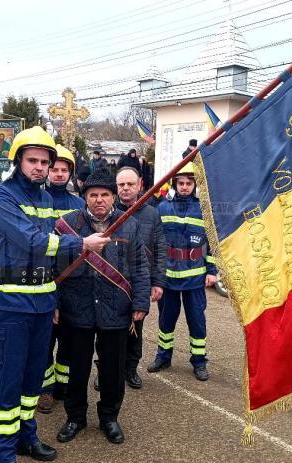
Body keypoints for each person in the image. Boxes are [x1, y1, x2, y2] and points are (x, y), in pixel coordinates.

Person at [0, 126, 110, 463]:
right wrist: (82, 244)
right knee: (9, 381)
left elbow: (49, 246)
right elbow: (32, 242)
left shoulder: (44, 199)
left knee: (32, 380)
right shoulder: (1, 197)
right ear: (18, 161)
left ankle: (27, 438)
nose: (40, 168)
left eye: (45, 161)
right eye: (33, 161)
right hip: (10, 301)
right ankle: (3, 454)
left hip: (41, 301)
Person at [55, 169, 150, 445]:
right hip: (77, 308)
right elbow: (55, 267)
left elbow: (140, 268)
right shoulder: (67, 224)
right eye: (93, 195)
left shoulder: (129, 225)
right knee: (77, 368)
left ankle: (109, 417)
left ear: (113, 197)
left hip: (115, 309)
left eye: (105, 195)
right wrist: (55, 303)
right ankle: (75, 417)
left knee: (112, 370)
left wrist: (141, 301)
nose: (99, 200)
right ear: (84, 197)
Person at [148, 162, 217, 381]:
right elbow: (155, 242)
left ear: (195, 185)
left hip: (195, 277)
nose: (185, 186)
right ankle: (163, 357)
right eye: (181, 182)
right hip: (168, 277)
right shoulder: (162, 208)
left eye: (189, 183)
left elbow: (212, 242)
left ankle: (199, 361)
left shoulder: (204, 209)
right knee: (166, 320)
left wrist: (212, 270)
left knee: (196, 320)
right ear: (174, 183)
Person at [37, 145, 85, 414]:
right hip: (45, 279)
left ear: (70, 173)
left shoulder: (79, 204)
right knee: (45, 340)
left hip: (73, 282)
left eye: (64, 170)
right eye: (54, 169)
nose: (58, 173)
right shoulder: (38, 200)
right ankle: (45, 388)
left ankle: (64, 386)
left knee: (71, 339)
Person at [115, 167, 166, 389]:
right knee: (108, 332)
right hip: (113, 280)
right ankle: (106, 370)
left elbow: (160, 248)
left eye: (130, 184)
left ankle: (130, 369)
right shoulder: (107, 211)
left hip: (140, 281)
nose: (125, 189)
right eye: (121, 185)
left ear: (140, 185)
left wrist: (158, 282)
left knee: (136, 327)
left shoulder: (152, 214)